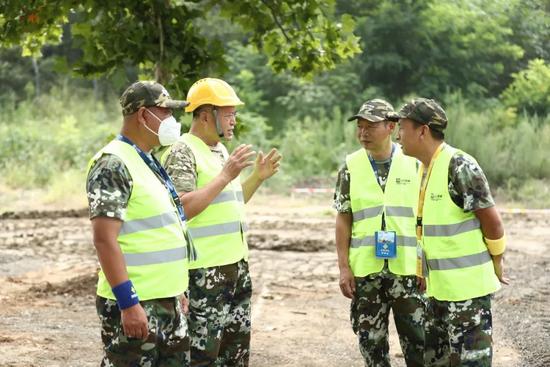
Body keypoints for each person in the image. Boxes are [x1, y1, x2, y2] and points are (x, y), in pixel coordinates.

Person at [161, 77, 282, 366]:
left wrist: (256, 178)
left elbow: (230, 202)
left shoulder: (219, 151)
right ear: (205, 115)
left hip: (234, 269)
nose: (234, 121)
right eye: (228, 114)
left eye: (234, 114)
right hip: (204, 274)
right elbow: (183, 208)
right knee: (202, 356)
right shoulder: (182, 151)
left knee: (234, 353)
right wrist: (226, 175)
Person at [86, 81, 192, 366]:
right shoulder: (113, 163)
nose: (172, 121)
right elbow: (104, 239)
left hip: (166, 298)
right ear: (144, 116)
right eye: (165, 113)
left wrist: (177, 290)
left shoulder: (146, 160)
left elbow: (163, 230)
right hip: (138, 302)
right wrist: (128, 303)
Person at [396, 98, 508, 366]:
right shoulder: (425, 167)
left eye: (402, 127)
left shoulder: (459, 165)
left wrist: (497, 259)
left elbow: (492, 222)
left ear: (422, 130)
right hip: (438, 294)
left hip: (466, 296)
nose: (398, 134)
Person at [334, 99, 425, 366]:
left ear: (391, 126)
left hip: (408, 271)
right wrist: (343, 268)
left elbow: (428, 218)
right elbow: (343, 219)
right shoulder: (350, 166)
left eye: (370, 127)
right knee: (371, 345)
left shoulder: (415, 164)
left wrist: (426, 264)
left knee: (419, 343)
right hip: (366, 273)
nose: (363, 133)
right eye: (360, 127)